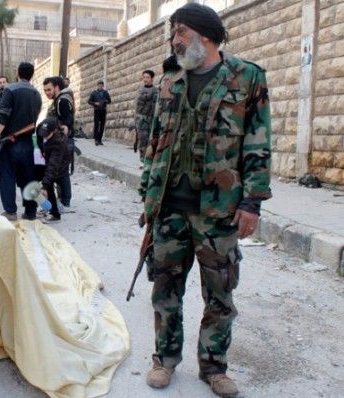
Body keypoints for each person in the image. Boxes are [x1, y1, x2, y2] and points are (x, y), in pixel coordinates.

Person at [138, 4, 272, 397]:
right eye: (173, 34)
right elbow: (156, 144)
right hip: (169, 207)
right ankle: (164, 360)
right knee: (165, 289)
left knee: (219, 293)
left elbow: (258, 144)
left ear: (205, 35)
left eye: (179, 32)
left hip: (219, 210)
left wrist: (252, 203)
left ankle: (214, 367)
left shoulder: (247, 77)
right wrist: (147, 198)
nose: (174, 40)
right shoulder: (171, 79)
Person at [0, 62, 42, 221]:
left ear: (18, 73)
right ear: (32, 75)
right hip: (28, 142)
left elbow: (4, 115)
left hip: (10, 142)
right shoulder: (36, 94)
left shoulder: (10, 90)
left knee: (7, 176)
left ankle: (10, 211)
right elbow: (36, 116)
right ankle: (30, 212)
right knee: (28, 176)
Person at [42, 76, 74, 212]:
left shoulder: (62, 101)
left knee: (62, 173)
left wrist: (62, 132)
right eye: (45, 90)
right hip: (58, 142)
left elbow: (66, 123)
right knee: (59, 172)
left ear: (56, 87)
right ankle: (61, 200)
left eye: (49, 89)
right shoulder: (58, 100)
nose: (47, 92)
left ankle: (65, 202)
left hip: (61, 143)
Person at [36, 117, 70, 223]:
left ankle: (55, 213)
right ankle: (45, 207)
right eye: (43, 133)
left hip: (59, 167)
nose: (44, 136)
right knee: (31, 175)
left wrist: (45, 186)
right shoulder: (41, 129)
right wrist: (42, 149)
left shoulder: (58, 143)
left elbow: (53, 166)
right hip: (50, 161)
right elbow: (39, 137)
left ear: (54, 130)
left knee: (49, 184)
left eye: (47, 134)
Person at [135, 70, 159, 163]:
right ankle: (143, 160)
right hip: (142, 119)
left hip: (152, 119)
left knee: (153, 140)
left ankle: (151, 160)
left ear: (152, 78)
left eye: (147, 77)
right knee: (142, 140)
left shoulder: (156, 91)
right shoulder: (139, 90)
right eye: (144, 77)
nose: (145, 79)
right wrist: (136, 121)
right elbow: (136, 106)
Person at [88, 80, 111, 145]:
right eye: (99, 85)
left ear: (103, 86)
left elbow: (109, 101)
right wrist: (95, 103)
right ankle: (96, 139)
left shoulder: (105, 93)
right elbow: (89, 101)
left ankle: (100, 140)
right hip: (97, 110)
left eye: (101, 85)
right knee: (96, 125)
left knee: (102, 125)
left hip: (103, 110)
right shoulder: (94, 93)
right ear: (97, 86)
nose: (100, 87)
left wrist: (105, 101)